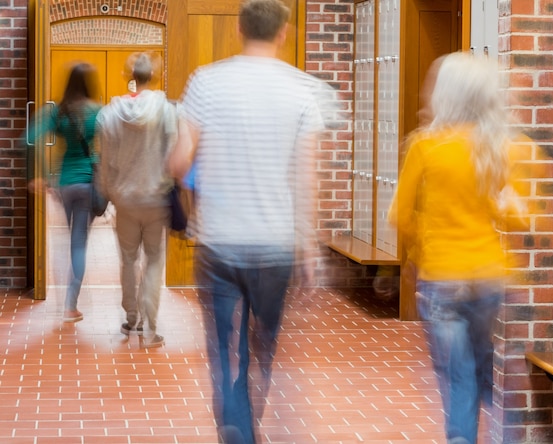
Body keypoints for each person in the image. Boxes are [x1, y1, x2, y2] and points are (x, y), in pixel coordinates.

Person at [168, 0, 331, 441]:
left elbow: (181, 162)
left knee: (223, 345)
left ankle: (235, 424)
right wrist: (309, 247)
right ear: (284, 33)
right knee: (262, 346)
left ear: (239, 29)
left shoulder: (206, 82)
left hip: (219, 241)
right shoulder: (302, 90)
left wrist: (193, 172)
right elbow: (306, 177)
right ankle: (248, 411)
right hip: (275, 245)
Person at [388, 52, 536, 444]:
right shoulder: (507, 149)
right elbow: (518, 218)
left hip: (443, 279)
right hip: (490, 277)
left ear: (446, 95)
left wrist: (423, 247)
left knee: (459, 377)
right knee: (486, 369)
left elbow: (399, 216)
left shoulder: (426, 146)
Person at [96, 52, 178, 348]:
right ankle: (151, 327)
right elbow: (173, 154)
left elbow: (106, 162)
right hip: (156, 198)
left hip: (125, 198)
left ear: (129, 76)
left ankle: (132, 317)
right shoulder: (167, 110)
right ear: (152, 76)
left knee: (128, 259)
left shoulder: (109, 113)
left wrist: (107, 192)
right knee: (154, 259)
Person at [27, 62, 102, 323]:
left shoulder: (57, 112)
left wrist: (41, 174)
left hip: (65, 184)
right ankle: (70, 304)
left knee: (67, 240)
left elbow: (29, 138)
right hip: (87, 183)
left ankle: (65, 299)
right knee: (78, 243)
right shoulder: (97, 112)